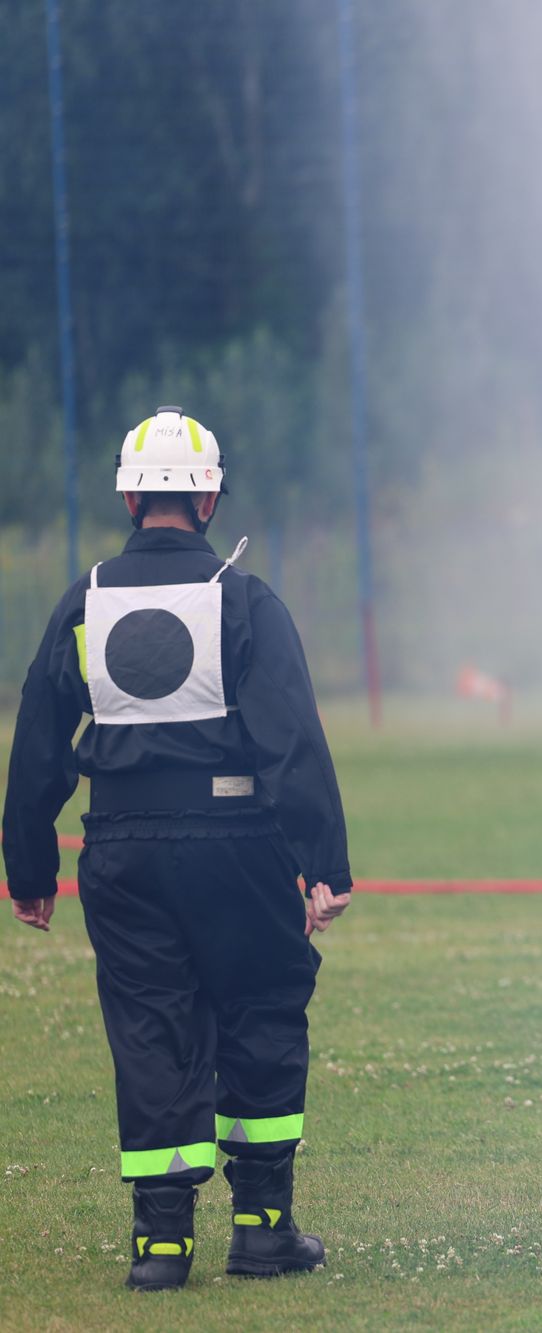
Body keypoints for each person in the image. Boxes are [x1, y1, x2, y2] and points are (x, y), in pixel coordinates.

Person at [3, 407, 351, 1291]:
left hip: (121, 853)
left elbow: (39, 743)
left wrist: (30, 867)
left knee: (151, 1029)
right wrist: (324, 862)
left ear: (128, 493)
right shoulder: (244, 599)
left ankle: (160, 1245)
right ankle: (264, 1228)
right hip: (239, 845)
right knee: (262, 1011)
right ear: (209, 498)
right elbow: (292, 741)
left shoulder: (83, 599)